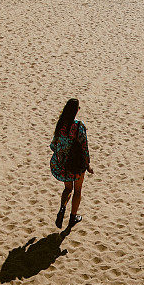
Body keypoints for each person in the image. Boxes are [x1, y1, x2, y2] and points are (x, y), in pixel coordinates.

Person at [50, 98, 93, 229]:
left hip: (62, 165)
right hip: (76, 166)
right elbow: (84, 148)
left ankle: (62, 207)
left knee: (68, 188)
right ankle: (72, 218)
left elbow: (53, 145)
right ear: (76, 111)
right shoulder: (79, 126)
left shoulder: (61, 124)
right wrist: (88, 165)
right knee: (77, 190)